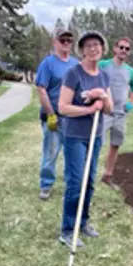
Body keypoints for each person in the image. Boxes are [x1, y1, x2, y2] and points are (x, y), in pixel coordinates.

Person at [58, 31, 114, 248]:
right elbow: (63, 107)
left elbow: (109, 109)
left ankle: (83, 222)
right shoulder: (73, 73)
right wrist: (89, 108)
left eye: (97, 45)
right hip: (75, 137)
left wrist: (102, 96)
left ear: (102, 49)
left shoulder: (103, 76)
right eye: (89, 45)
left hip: (95, 136)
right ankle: (67, 229)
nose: (93, 49)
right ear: (82, 50)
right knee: (75, 183)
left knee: (89, 182)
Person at [35, 27, 79, 200]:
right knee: (51, 153)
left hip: (72, 118)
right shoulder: (48, 63)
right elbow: (41, 89)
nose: (66, 43)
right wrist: (51, 114)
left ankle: (72, 185)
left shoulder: (75, 64)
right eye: (62, 40)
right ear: (54, 42)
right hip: (54, 117)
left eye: (69, 40)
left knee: (72, 154)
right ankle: (46, 185)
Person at [99, 37, 133, 189]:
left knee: (115, 144)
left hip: (120, 114)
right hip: (104, 113)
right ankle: (88, 173)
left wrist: (131, 103)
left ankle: (108, 175)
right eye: (121, 47)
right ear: (115, 49)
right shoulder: (103, 65)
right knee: (97, 143)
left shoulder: (130, 71)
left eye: (127, 49)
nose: (123, 50)